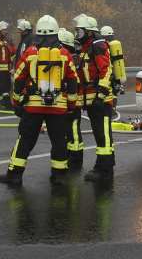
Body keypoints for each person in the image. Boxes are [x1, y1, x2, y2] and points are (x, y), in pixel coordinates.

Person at [0, 15, 78, 187]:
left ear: (37, 34)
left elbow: (19, 78)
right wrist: (71, 106)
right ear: (56, 34)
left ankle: (14, 175)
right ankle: (59, 176)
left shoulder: (30, 53)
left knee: (25, 140)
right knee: (59, 141)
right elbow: (73, 82)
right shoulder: (64, 54)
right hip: (58, 107)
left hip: (33, 106)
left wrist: (16, 103)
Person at [74, 14, 115, 183]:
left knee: (103, 135)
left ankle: (104, 170)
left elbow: (106, 70)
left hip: (100, 100)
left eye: (80, 31)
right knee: (100, 135)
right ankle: (102, 166)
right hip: (92, 100)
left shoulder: (98, 46)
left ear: (89, 32)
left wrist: (101, 94)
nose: (77, 34)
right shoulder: (87, 47)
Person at [59, 28, 84, 171]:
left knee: (73, 129)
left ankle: (75, 158)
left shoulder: (71, 58)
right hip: (70, 100)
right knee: (68, 130)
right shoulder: (72, 56)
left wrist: (71, 103)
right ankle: (70, 155)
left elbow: (72, 81)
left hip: (73, 101)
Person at [100, 25, 126, 107]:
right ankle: (113, 109)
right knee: (114, 92)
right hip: (117, 73)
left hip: (109, 73)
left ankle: (109, 109)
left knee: (109, 91)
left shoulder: (103, 46)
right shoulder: (115, 45)